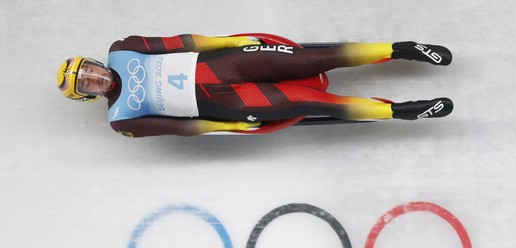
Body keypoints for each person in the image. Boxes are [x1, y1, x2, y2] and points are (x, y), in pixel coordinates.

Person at [57, 34, 454, 138]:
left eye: (90, 69)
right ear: (89, 96)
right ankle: (400, 111)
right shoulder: (121, 119)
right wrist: (226, 128)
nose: (96, 77)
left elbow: (180, 43)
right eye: (89, 84)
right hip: (226, 103)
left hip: (226, 62)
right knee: (317, 101)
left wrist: (226, 42)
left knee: (315, 59)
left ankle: (400, 49)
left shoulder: (123, 51)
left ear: (95, 61)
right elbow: (179, 128)